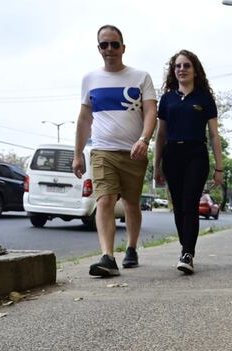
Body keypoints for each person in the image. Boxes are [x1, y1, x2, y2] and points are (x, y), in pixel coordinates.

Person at [72, 25, 157, 277]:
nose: (109, 49)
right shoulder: (90, 79)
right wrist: (78, 154)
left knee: (131, 204)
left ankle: (131, 248)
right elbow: (84, 118)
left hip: (134, 152)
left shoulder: (141, 77)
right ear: (98, 48)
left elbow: (151, 111)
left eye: (114, 44)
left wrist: (144, 139)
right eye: (104, 45)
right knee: (105, 200)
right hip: (102, 151)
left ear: (123, 47)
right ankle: (107, 257)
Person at [154, 50, 223, 274]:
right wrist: (156, 166)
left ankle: (187, 253)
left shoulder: (204, 98)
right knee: (178, 207)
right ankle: (185, 249)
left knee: (190, 203)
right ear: (173, 72)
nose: (181, 69)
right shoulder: (167, 99)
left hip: (196, 154)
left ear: (195, 70)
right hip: (171, 155)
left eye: (186, 65)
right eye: (177, 66)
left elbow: (214, 135)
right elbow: (160, 135)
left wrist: (219, 168)